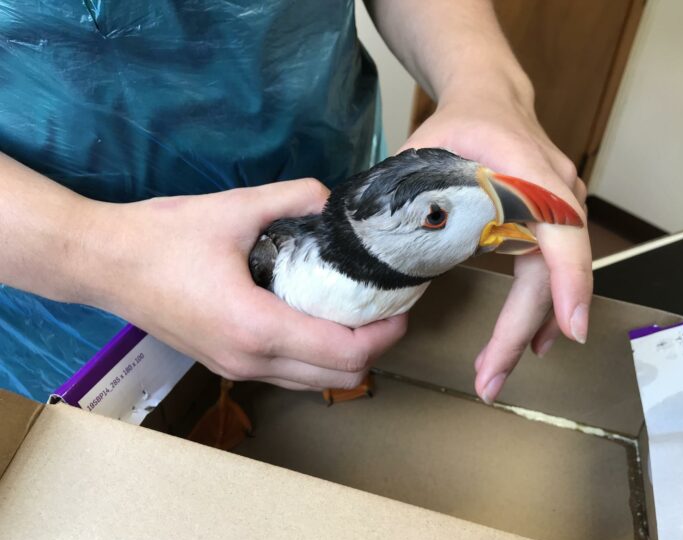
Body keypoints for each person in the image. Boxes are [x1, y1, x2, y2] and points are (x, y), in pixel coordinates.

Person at [0, 0, 591, 405]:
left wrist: (485, 81)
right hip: (44, 268)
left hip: (327, 154)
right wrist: (92, 252)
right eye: (438, 217)